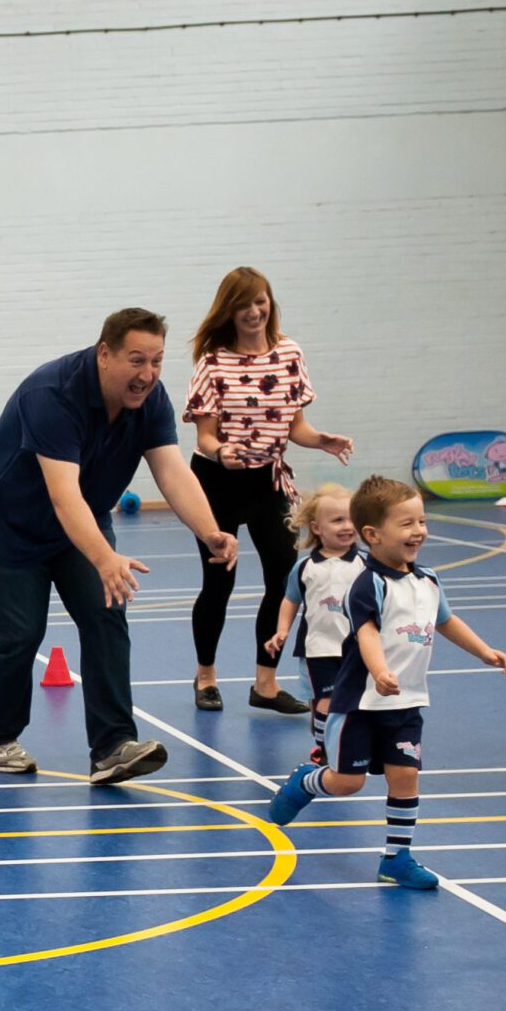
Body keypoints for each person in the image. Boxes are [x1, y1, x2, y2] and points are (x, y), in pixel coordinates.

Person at [0, 308, 238, 784]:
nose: (147, 374)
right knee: (22, 633)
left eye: (156, 361)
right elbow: (63, 495)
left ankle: (113, 746)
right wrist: (105, 558)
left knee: (106, 615)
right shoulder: (52, 394)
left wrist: (208, 529)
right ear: (104, 355)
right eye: (136, 361)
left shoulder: (150, 400)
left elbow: (171, 470)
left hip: (83, 520)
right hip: (12, 525)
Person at [268, 477, 506, 889]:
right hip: (360, 704)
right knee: (347, 783)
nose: (418, 530)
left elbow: (446, 621)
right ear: (372, 535)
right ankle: (305, 782)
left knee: (406, 778)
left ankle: (397, 857)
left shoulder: (429, 581)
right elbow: (365, 632)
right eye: (406, 524)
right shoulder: (368, 584)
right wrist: (379, 671)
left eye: (421, 521)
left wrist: (485, 651)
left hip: (406, 704)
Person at [180, 268, 354, 714]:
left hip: (268, 481)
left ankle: (266, 683)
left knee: (283, 578)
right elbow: (204, 438)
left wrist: (321, 440)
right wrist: (223, 452)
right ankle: (205, 677)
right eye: (244, 304)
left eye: (261, 301)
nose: (255, 311)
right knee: (219, 582)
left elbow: (295, 426)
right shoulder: (213, 362)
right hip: (216, 482)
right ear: (229, 311)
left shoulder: (289, 353)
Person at [266, 483, 365, 765]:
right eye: (337, 520)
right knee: (324, 703)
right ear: (317, 528)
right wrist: (282, 630)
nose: (347, 526)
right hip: (317, 649)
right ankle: (324, 749)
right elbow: (290, 600)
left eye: (352, 519)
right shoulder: (305, 567)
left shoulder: (366, 565)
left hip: (357, 649)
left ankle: (339, 738)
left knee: (352, 705)